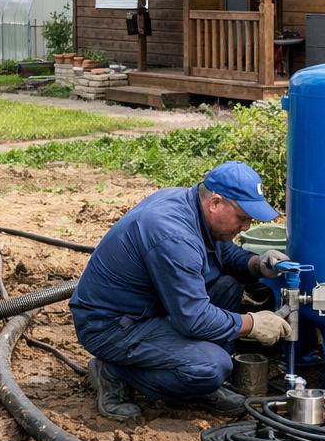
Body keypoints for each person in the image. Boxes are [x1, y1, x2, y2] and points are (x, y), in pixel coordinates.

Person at [69, 161, 291, 421]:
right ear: (215, 203)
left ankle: (196, 383)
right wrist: (253, 323)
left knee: (227, 286)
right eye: (242, 218)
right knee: (212, 366)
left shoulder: (192, 205)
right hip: (111, 326)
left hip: (151, 307)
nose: (246, 226)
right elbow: (194, 319)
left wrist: (257, 264)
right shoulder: (172, 234)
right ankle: (115, 372)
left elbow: (225, 253)